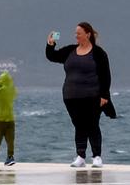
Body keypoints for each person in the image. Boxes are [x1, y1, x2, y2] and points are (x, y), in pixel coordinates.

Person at [43, 21, 113, 167]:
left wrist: (104, 96)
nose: (76, 36)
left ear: (87, 34)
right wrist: (50, 44)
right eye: (76, 34)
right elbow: (52, 57)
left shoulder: (98, 53)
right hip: (71, 96)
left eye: (79, 33)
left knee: (92, 124)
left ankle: (97, 157)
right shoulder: (70, 50)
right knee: (79, 125)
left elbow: (106, 76)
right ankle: (80, 156)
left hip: (92, 96)